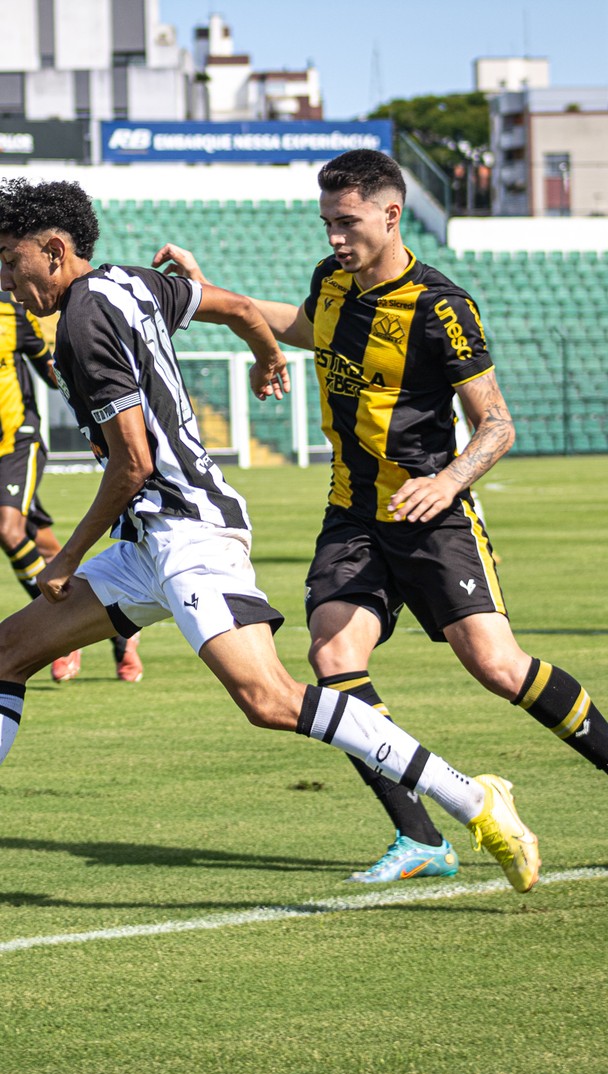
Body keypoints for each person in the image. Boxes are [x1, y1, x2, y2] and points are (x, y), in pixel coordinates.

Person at [0, 177, 541, 895]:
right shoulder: (131, 284)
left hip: (188, 535)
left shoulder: (81, 324)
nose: (7, 280)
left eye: (12, 262)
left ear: (56, 250)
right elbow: (240, 307)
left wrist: (64, 558)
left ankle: (473, 798)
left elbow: (134, 463)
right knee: (7, 654)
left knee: (270, 700)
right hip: (152, 543)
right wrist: (267, 355)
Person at [153, 148, 608, 886]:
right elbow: (304, 328)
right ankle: (422, 838)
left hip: (432, 516)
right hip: (352, 513)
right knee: (334, 662)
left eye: (348, 222)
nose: (335, 237)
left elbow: (496, 424)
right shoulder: (332, 282)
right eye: (328, 222)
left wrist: (449, 481)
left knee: (496, 665)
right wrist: (208, 296)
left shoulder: (442, 306)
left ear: (391, 215)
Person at [0, 290, 142, 683]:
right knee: (41, 541)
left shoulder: (11, 312)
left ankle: (60, 628)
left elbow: (53, 369)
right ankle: (122, 637)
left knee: (7, 528)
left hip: (13, 444)